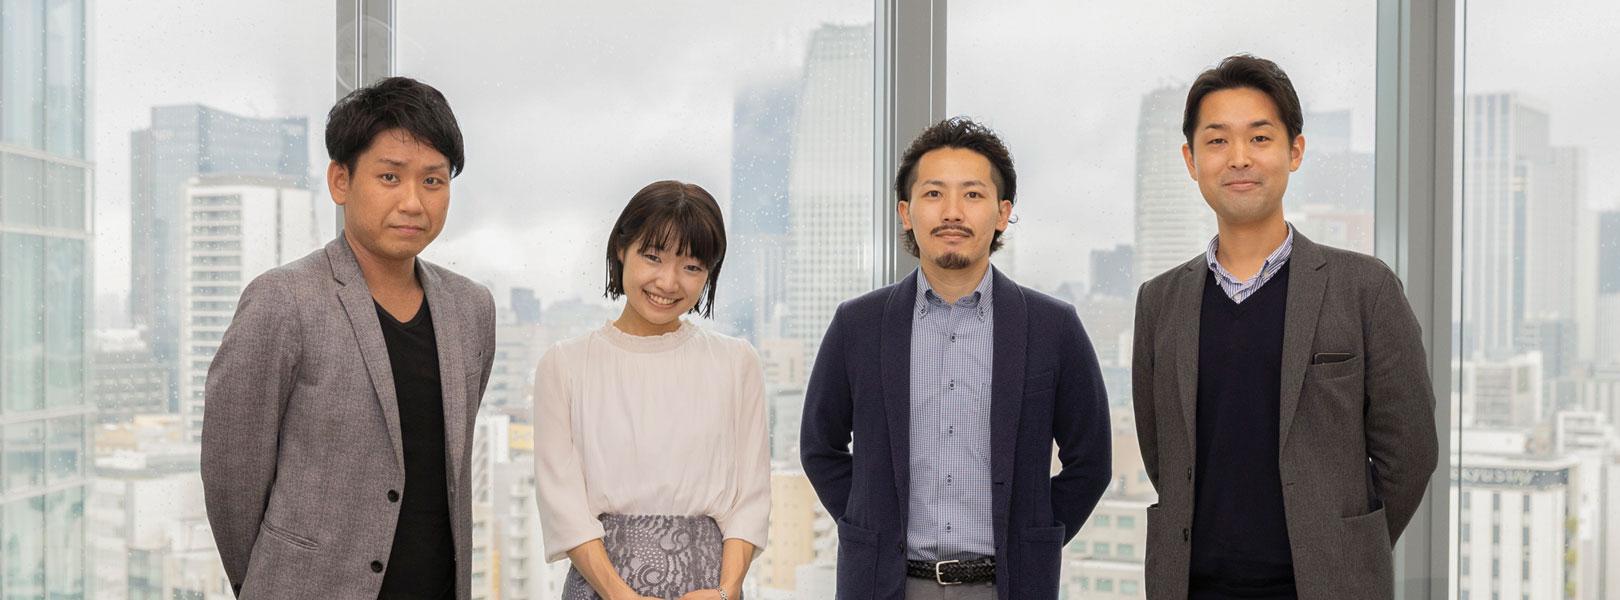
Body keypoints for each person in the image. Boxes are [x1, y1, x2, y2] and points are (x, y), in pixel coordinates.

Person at [1132, 54, 1439, 599]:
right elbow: (1163, 457)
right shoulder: (1160, 302)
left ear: (1295, 151)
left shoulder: (1365, 288)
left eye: (1260, 138)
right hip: (1190, 587)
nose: (1239, 158)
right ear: (1191, 159)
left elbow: (1410, 451)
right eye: (1217, 141)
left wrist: (1345, 547)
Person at [202, 76, 496, 599]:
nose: (413, 202)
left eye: (433, 181)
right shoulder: (282, 301)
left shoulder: (471, 309)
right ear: (341, 181)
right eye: (390, 176)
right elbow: (232, 477)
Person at [800, 117, 1112, 600]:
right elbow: (820, 448)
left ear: (1002, 213)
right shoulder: (856, 324)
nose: (952, 212)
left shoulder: (1054, 327)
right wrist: (871, 525)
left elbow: (1090, 461)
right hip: (885, 584)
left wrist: (1032, 536)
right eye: (933, 194)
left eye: (972, 194)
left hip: (1008, 585)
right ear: (906, 212)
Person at [533, 180, 769, 600]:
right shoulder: (565, 364)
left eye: (691, 266)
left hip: (708, 590)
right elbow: (563, 505)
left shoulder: (737, 361)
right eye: (653, 257)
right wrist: (619, 594)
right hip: (600, 589)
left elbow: (751, 498)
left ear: (709, 274)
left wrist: (727, 590)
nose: (668, 282)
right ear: (621, 249)